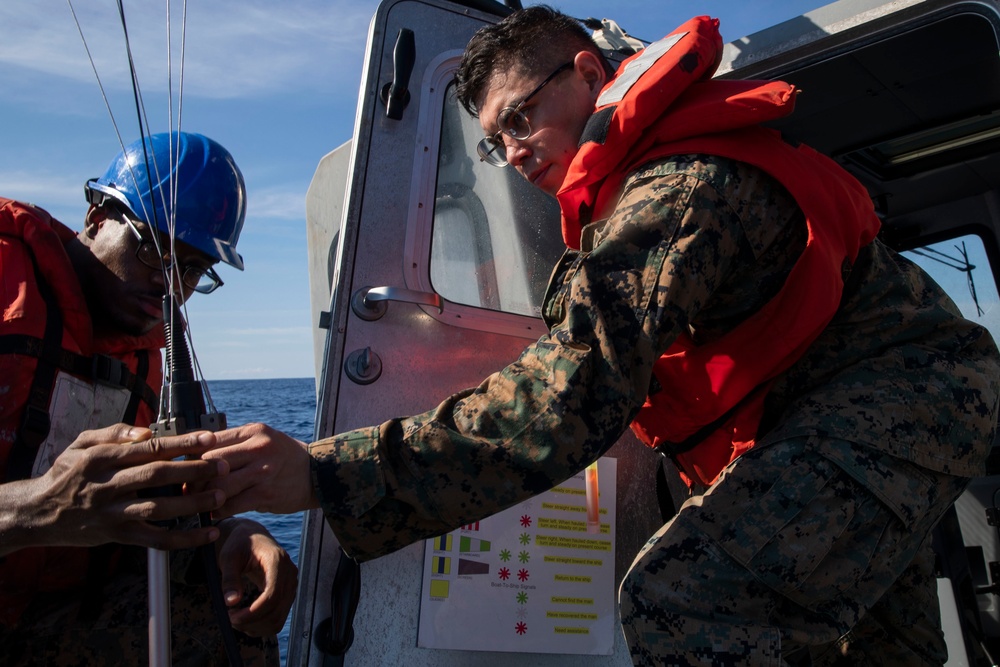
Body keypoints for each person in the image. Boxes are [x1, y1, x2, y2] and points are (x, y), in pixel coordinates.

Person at [204, 8, 1000, 666]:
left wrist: (322, 474)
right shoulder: (640, 186)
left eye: (520, 117)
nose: (513, 154)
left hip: (908, 400)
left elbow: (568, 400)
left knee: (684, 597)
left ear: (588, 73)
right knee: (884, 649)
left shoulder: (674, 191)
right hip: (883, 406)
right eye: (495, 141)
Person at [0, 131, 296, 665]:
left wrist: (227, 533)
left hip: (51, 619)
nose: (169, 286)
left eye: (192, 268)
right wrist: (37, 509)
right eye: (151, 250)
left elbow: (146, 517)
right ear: (96, 220)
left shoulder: (151, 356)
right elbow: (54, 509)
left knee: (230, 607)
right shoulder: (6, 285)